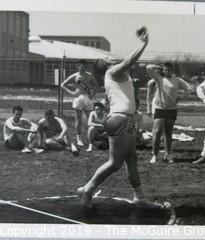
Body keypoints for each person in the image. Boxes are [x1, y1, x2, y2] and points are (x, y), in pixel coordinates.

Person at [77, 27, 149, 208]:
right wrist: (144, 44)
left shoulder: (116, 76)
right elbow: (130, 60)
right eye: (106, 58)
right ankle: (87, 190)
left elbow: (122, 97)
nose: (109, 57)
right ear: (104, 65)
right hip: (121, 120)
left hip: (125, 120)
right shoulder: (112, 72)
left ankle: (139, 197)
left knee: (131, 159)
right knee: (115, 164)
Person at [146, 62, 192, 164]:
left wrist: (180, 97)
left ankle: (168, 154)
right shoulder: (158, 78)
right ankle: (155, 154)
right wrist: (158, 66)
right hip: (160, 108)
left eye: (169, 70)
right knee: (157, 132)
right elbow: (148, 68)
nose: (167, 72)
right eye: (165, 70)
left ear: (173, 70)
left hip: (171, 109)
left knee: (168, 133)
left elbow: (189, 89)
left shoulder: (177, 80)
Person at [61, 60, 99, 147]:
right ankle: (79, 139)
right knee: (78, 119)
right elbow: (63, 84)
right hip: (78, 98)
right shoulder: (75, 76)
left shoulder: (89, 75)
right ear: (78, 66)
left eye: (84, 66)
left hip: (87, 98)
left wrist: (92, 95)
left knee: (90, 119)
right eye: (81, 66)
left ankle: (91, 139)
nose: (82, 67)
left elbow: (96, 86)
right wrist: (71, 92)